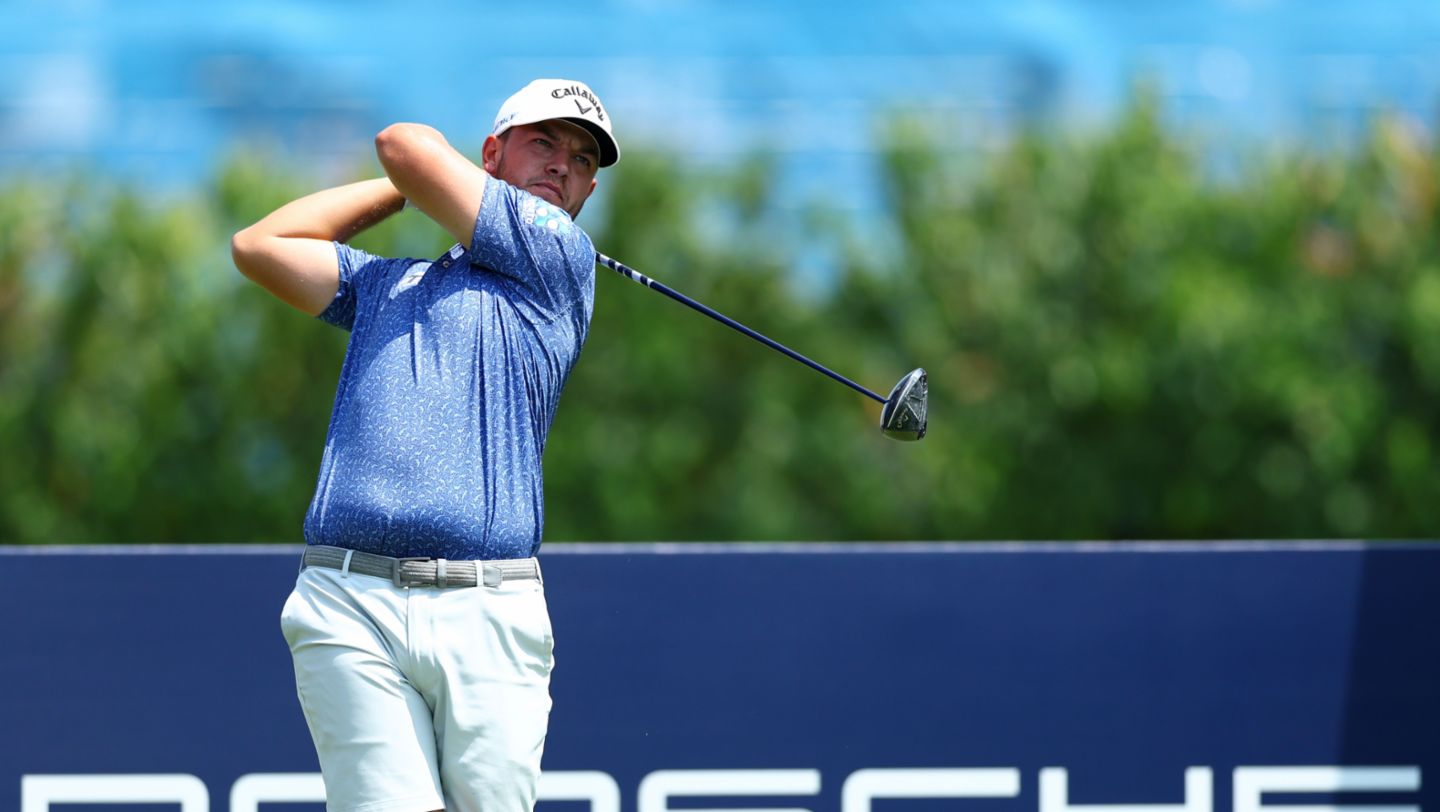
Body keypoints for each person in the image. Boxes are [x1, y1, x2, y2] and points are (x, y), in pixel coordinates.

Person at [230, 78, 620, 812]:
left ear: (588, 191)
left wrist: (422, 178)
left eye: (581, 159)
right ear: (492, 156)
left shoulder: (559, 260)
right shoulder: (387, 287)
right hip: (350, 604)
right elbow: (259, 246)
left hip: (490, 609)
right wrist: (404, 190)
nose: (564, 165)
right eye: (545, 142)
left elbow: (406, 145)